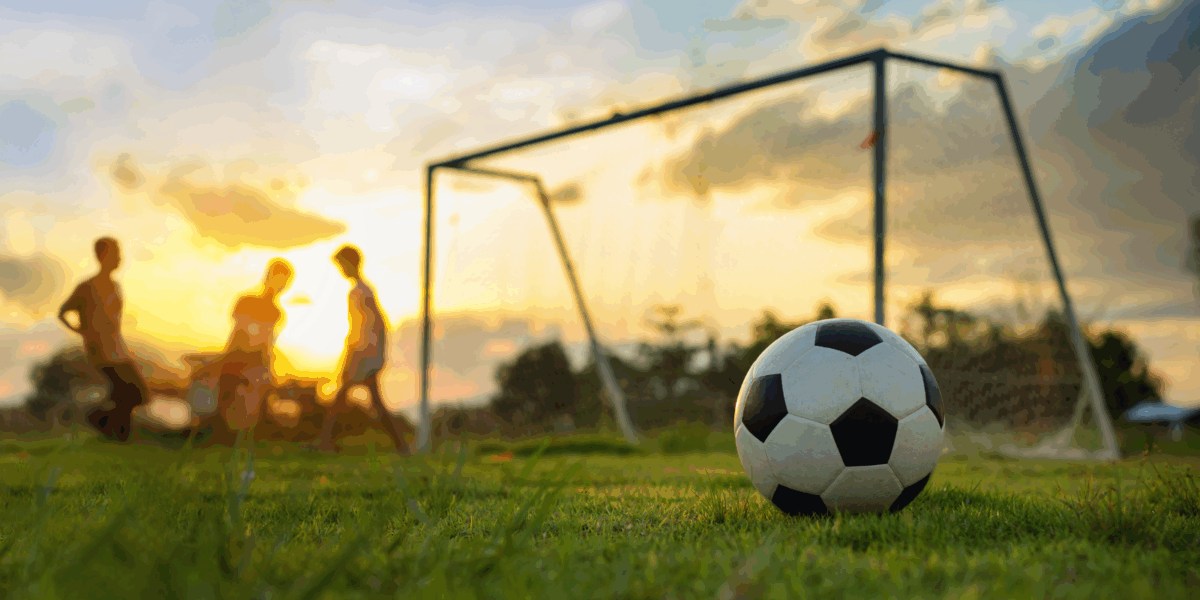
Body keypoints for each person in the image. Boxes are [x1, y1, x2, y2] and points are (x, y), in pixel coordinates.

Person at [309, 245, 412, 454]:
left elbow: (361, 326)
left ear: (350, 264)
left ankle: (324, 443)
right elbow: (381, 324)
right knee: (371, 403)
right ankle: (402, 447)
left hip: (363, 355)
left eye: (341, 265)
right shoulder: (365, 289)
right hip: (369, 354)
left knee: (343, 398)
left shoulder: (359, 292)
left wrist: (352, 356)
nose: (340, 269)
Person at [58, 237, 148, 442]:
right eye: (115, 253)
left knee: (127, 394)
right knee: (135, 393)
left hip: (118, 348)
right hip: (101, 350)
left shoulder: (115, 286)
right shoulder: (87, 287)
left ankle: (118, 434)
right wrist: (82, 331)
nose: (119, 258)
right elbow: (63, 312)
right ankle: (96, 417)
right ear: (102, 256)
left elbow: (114, 322)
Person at [191, 259, 293, 438]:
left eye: (284, 282)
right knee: (223, 390)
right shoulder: (246, 301)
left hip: (257, 362)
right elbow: (238, 335)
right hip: (235, 357)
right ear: (267, 276)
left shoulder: (277, 313)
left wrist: (268, 370)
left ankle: (251, 427)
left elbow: (268, 344)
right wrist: (224, 360)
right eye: (277, 278)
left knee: (258, 396)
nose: (280, 285)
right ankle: (216, 427)